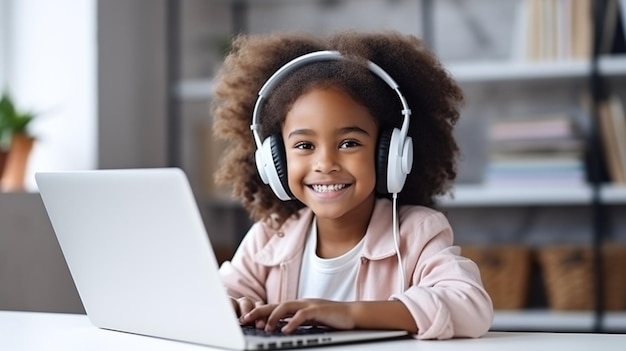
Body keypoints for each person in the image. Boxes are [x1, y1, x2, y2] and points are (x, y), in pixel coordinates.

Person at [210, 30, 493, 340]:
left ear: (390, 153)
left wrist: (349, 313)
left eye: (349, 143)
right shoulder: (271, 236)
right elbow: (216, 293)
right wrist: (230, 304)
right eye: (304, 145)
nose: (325, 163)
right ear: (273, 160)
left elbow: (470, 307)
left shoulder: (416, 232)